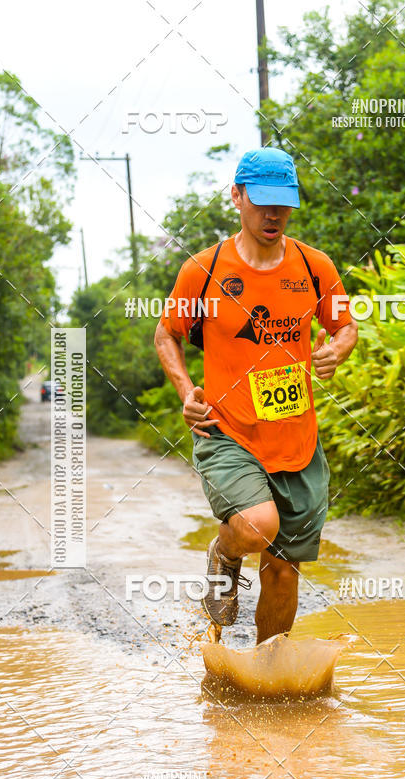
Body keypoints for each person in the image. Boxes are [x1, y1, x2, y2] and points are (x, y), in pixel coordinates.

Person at [154, 147, 358, 643]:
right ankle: (223, 554)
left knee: (284, 571)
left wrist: (337, 349)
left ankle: (266, 676)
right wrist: (187, 392)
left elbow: (346, 326)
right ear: (237, 196)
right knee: (257, 525)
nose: (274, 214)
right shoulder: (203, 270)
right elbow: (167, 334)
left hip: (296, 440)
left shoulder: (315, 267)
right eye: (263, 201)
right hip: (227, 431)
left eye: (284, 203)